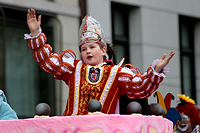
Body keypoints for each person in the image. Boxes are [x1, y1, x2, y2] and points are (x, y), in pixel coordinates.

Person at [24, 9, 175, 116]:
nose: (87, 51)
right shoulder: (73, 68)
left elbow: (141, 88)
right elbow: (48, 62)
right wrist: (36, 34)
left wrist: (156, 70)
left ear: (104, 51)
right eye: (83, 49)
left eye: (92, 47)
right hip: (70, 129)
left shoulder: (116, 73)